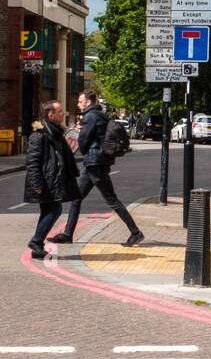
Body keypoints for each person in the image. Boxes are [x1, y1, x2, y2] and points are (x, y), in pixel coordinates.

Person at [50, 91, 143, 247]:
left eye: (80, 102)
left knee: (111, 199)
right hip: (95, 162)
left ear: (87, 102)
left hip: (95, 163)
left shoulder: (90, 117)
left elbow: (83, 140)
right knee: (76, 198)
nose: (78, 104)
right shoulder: (100, 115)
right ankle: (67, 234)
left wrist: (82, 141)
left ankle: (135, 232)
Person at [24, 101, 81, 259]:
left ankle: (37, 248)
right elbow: (32, 162)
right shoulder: (40, 134)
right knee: (54, 211)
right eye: (60, 111)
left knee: (48, 211)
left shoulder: (55, 132)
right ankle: (36, 241)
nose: (63, 113)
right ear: (50, 114)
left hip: (52, 180)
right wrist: (36, 184)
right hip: (45, 181)